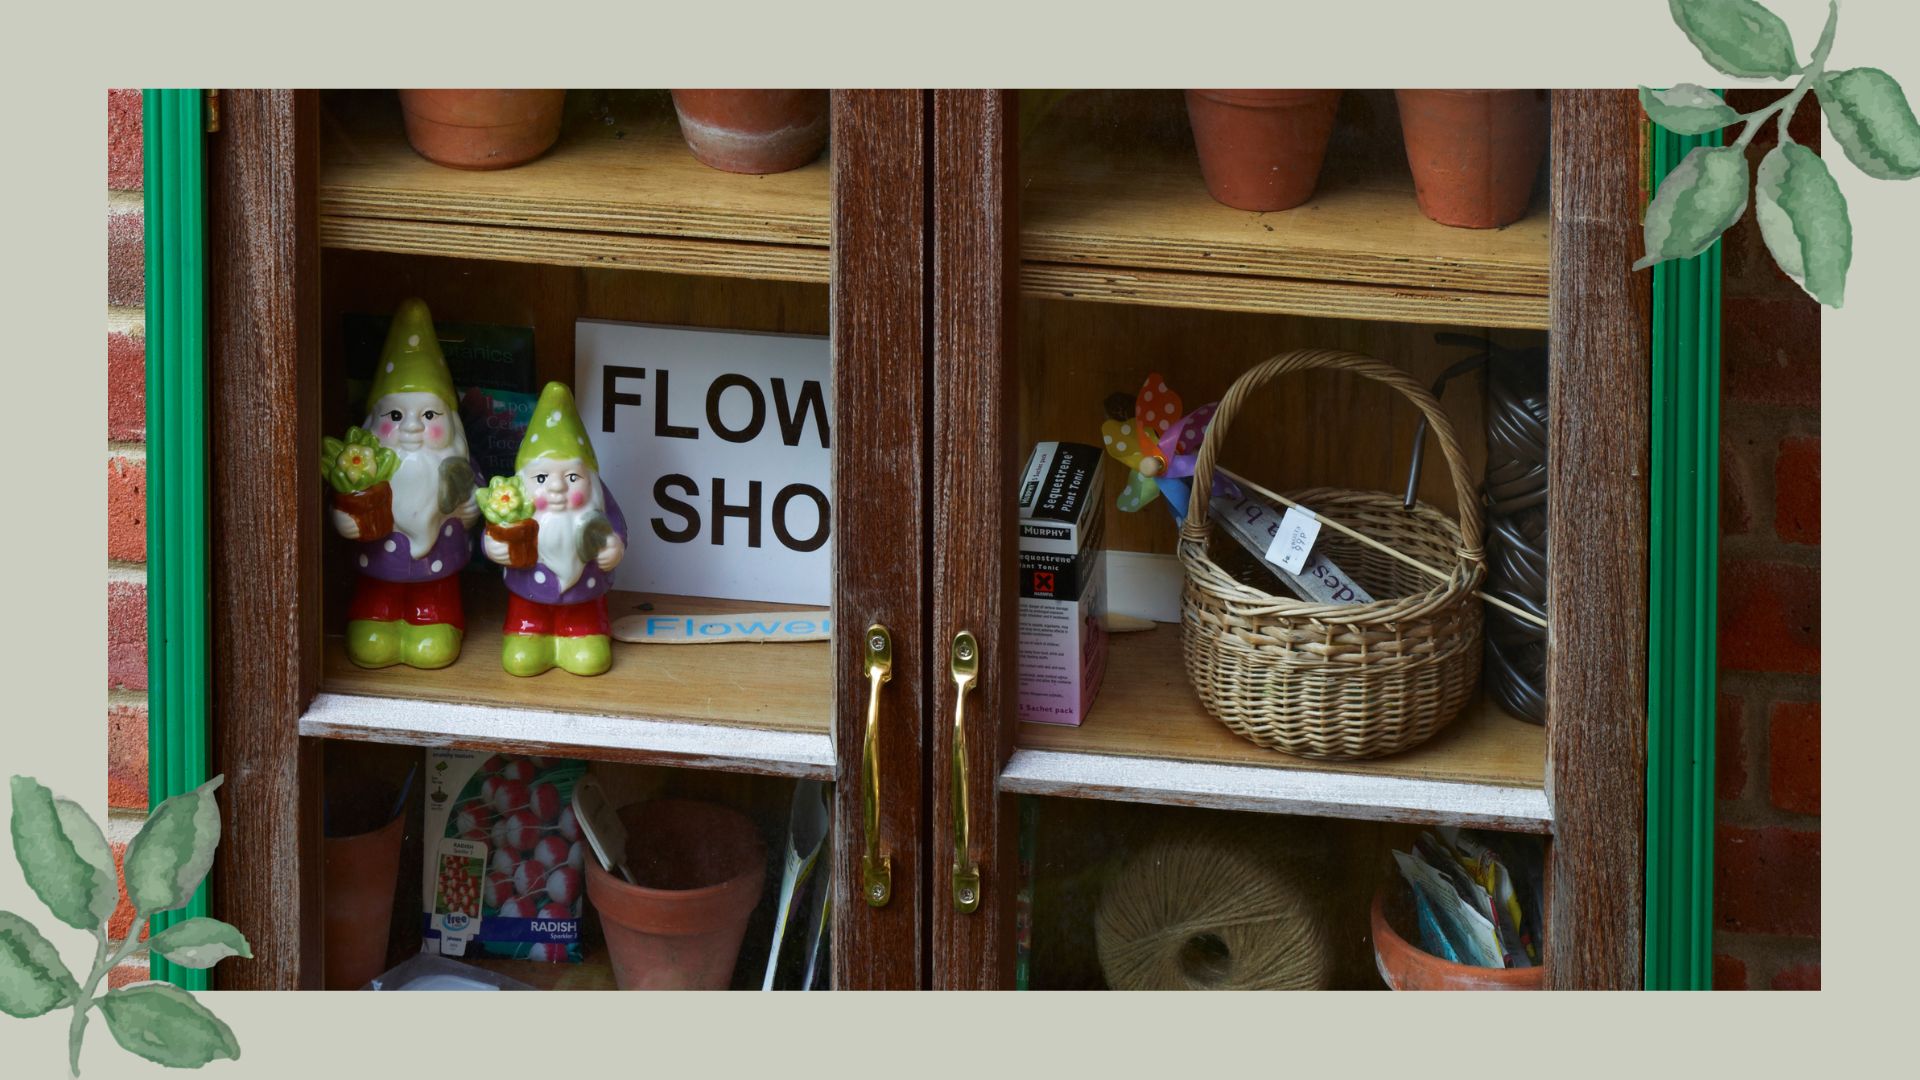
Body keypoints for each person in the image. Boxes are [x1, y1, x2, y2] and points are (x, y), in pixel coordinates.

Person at [333, 299, 478, 669]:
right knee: (373, 616)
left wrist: (470, 509)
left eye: (429, 414)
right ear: (373, 422)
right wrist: (344, 518)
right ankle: (375, 621)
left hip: (438, 573)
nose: (412, 427)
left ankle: (436, 620)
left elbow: (481, 496)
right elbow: (345, 500)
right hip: (378, 567)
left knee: (436, 621)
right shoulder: (363, 468)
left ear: (450, 422)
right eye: (395, 415)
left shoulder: (454, 463)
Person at [484, 382, 627, 676]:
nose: (557, 487)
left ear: (590, 480)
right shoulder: (511, 502)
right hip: (528, 599)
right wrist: (493, 545)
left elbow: (616, 527)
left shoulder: (598, 502)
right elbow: (494, 528)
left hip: (584, 600)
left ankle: (584, 635)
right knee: (522, 659)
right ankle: (526, 634)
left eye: (573, 476)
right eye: (541, 478)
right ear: (523, 480)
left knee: (590, 658)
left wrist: (614, 546)